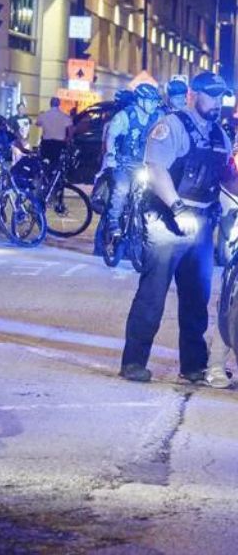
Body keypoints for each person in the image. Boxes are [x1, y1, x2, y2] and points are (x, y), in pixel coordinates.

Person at [119, 72, 238, 384]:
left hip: (201, 224)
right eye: (211, 95)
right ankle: (133, 362)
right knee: (152, 295)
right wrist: (176, 205)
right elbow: (156, 168)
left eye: (221, 96)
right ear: (192, 94)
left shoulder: (219, 135)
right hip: (167, 221)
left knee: (197, 298)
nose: (217, 103)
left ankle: (194, 366)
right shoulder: (171, 126)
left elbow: (227, 176)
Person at [98, 83, 161, 257]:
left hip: (144, 165)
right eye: (151, 101)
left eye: (156, 101)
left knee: (155, 192)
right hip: (123, 164)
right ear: (140, 100)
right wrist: (110, 156)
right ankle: (113, 222)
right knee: (122, 189)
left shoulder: (157, 117)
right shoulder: (125, 116)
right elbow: (111, 136)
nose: (154, 104)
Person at [35, 97, 73, 166]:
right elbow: (70, 132)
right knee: (57, 163)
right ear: (59, 104)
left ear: (50, 104)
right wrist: (67, 139)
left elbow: (37, 124)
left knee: (44, 163)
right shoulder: (65, 117)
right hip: (59, 144)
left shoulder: (43, 116)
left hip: (46, 143)